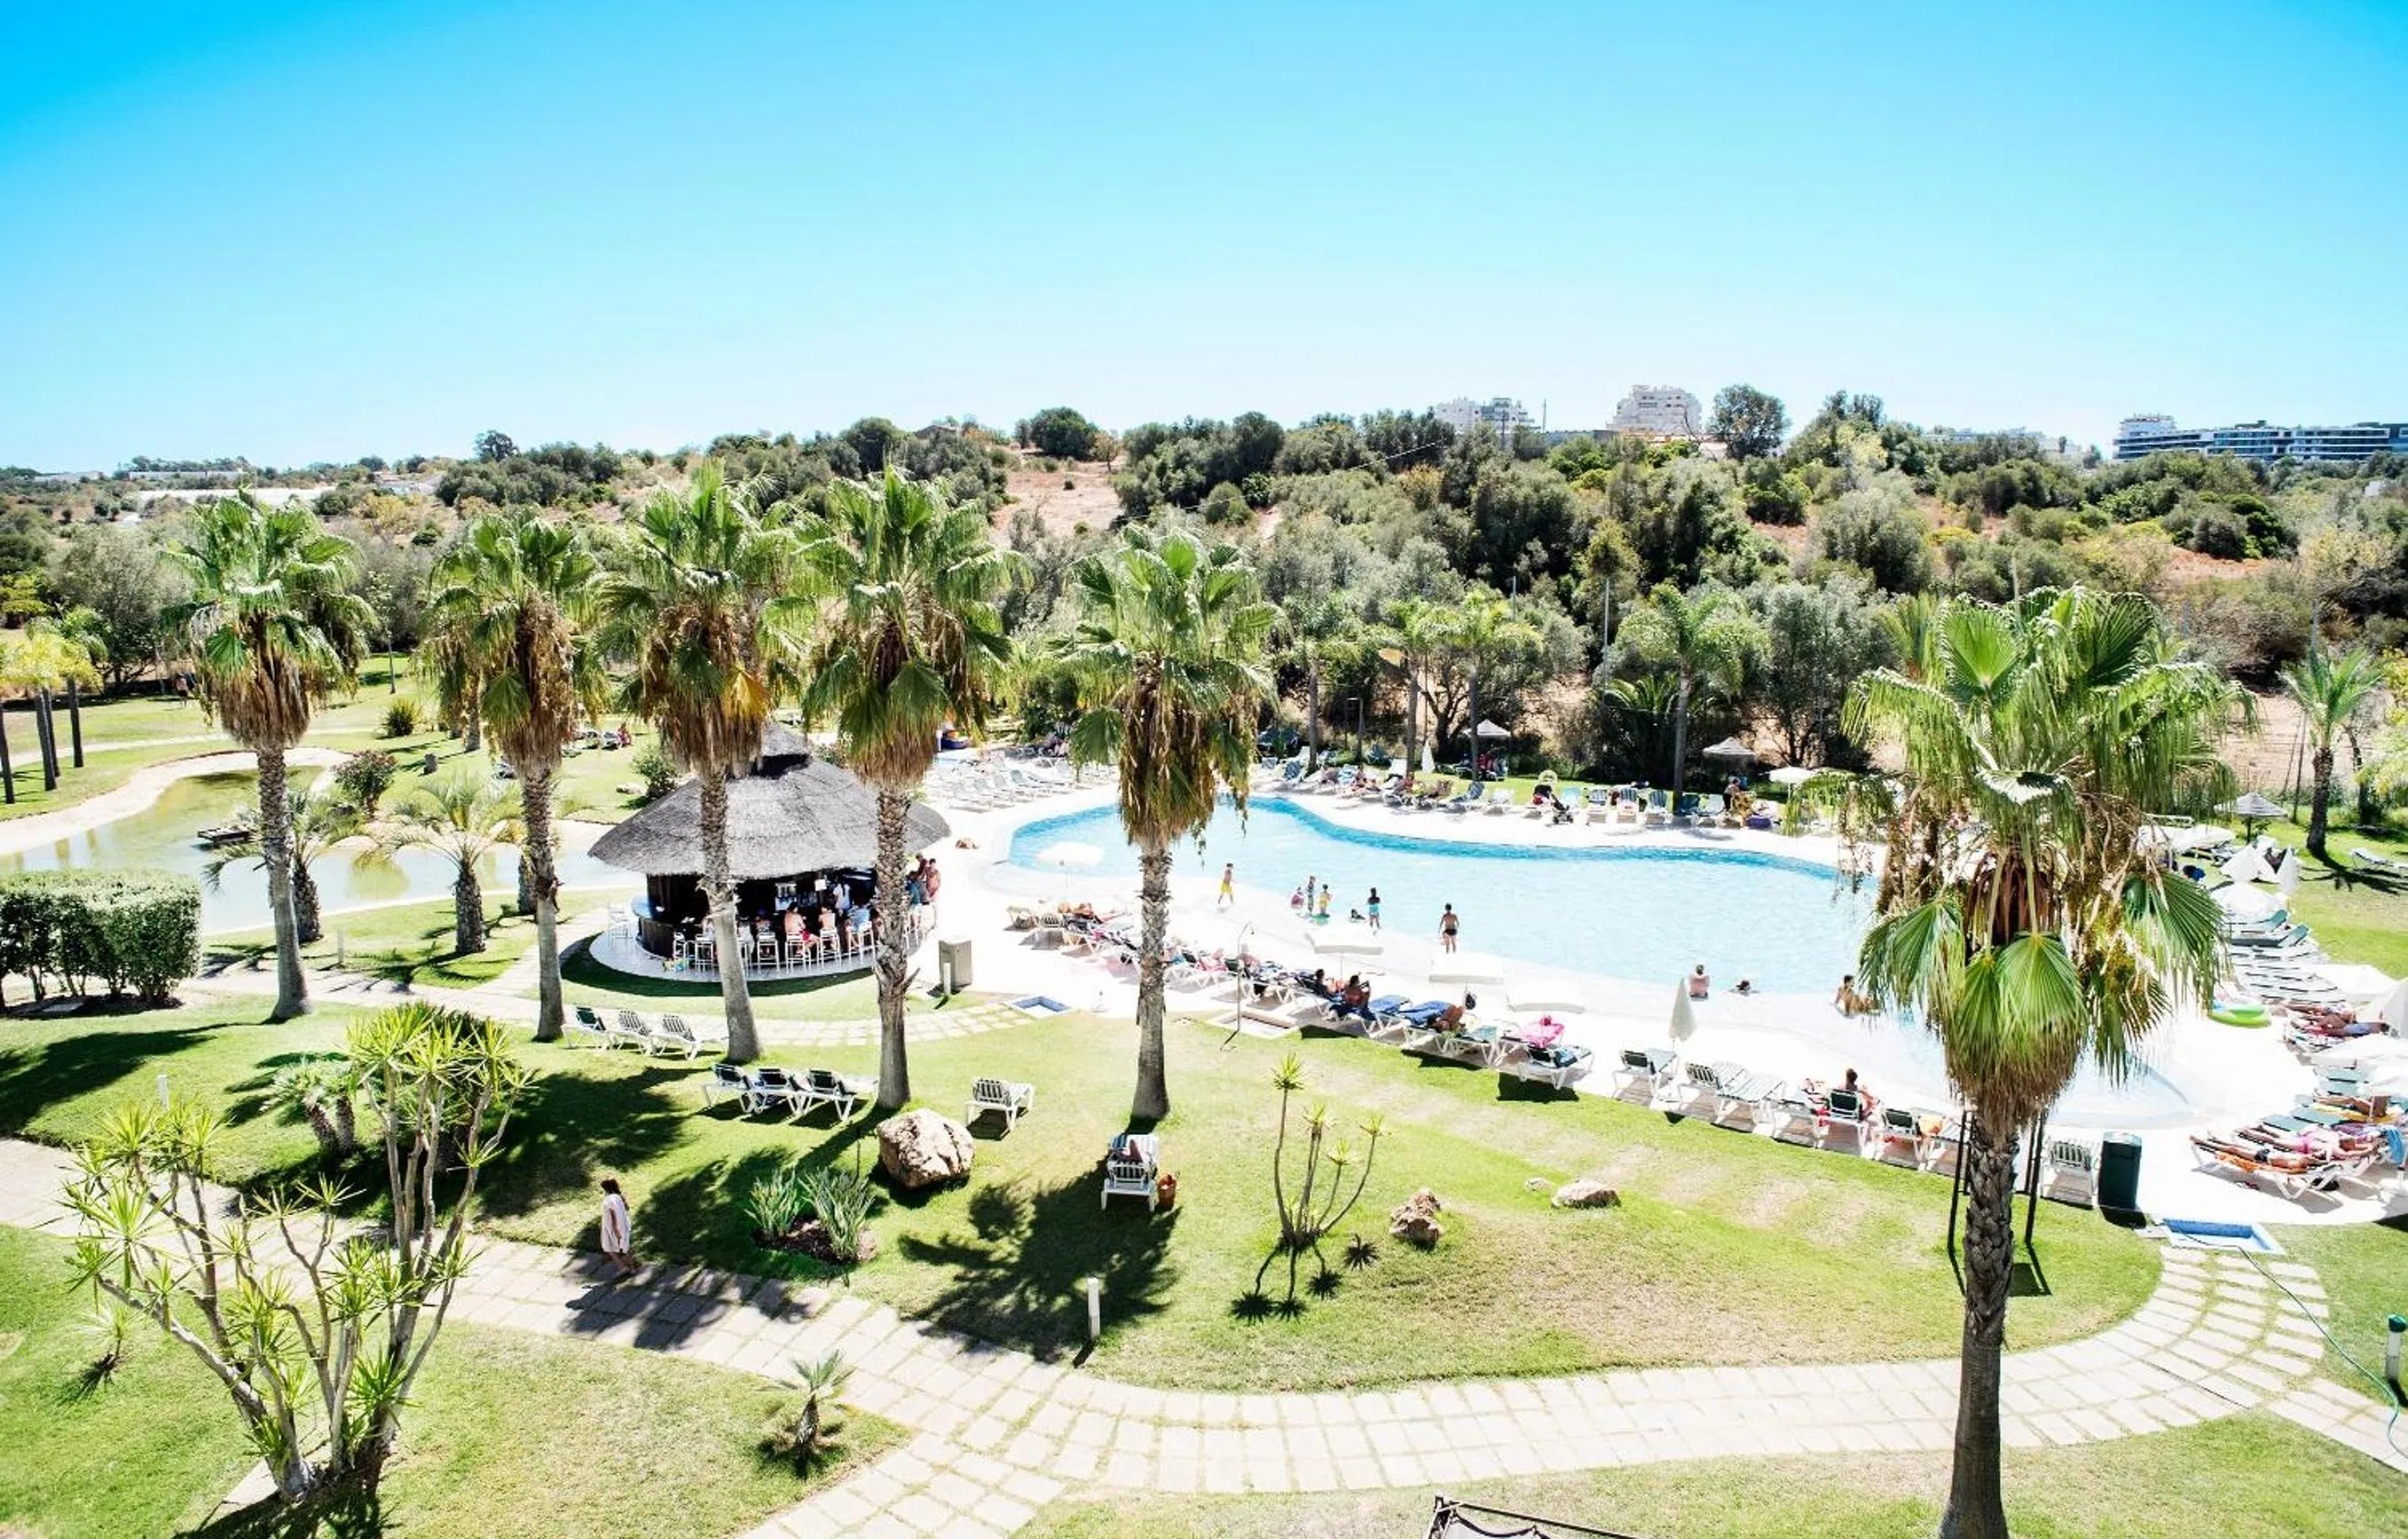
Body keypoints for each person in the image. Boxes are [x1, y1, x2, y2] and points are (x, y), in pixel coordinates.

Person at [599, 1178, 636, 1277]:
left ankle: (624, 1268)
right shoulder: (620, 1196)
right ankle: (632, 1268)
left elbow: (613, 1215)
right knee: (626, 1246)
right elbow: (627, 1208)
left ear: (606, 1188)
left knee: (609, 1247)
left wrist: (616, 1229)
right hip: (625, 1223)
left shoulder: (610, 1199)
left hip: (616, 1226)